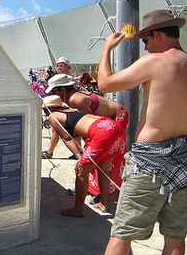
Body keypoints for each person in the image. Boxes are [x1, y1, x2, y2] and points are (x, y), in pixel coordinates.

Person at [98, 10, 187, 255]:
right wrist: (185, 158)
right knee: (175, 236)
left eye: (145, 41)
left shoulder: (155, 62)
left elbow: (104, 84)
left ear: (157, 35)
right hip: (184, 162)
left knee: (122, 232)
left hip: (149, 163)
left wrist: (106, 50)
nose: (145, 47)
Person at [46, 73, 129, 206]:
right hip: (108, 124)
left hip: (114, 119)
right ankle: (100, 195)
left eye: (55, 91)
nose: (55, 94)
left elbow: (85, 126)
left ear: (62, 89)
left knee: (90, 165)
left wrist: (80, 155)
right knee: (102, 163)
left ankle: (94, 196)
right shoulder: (72, 98)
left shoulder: (74, 100)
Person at [42, 58, 78, 160]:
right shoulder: (57, 78)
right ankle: (51, 151)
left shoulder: (70, 80)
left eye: (62, 65)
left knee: (73, 130)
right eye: (58, 65)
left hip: (67, 107)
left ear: (68, 66)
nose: (59, 67)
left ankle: (77, 152)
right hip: (61, 107)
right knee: (56, 129)